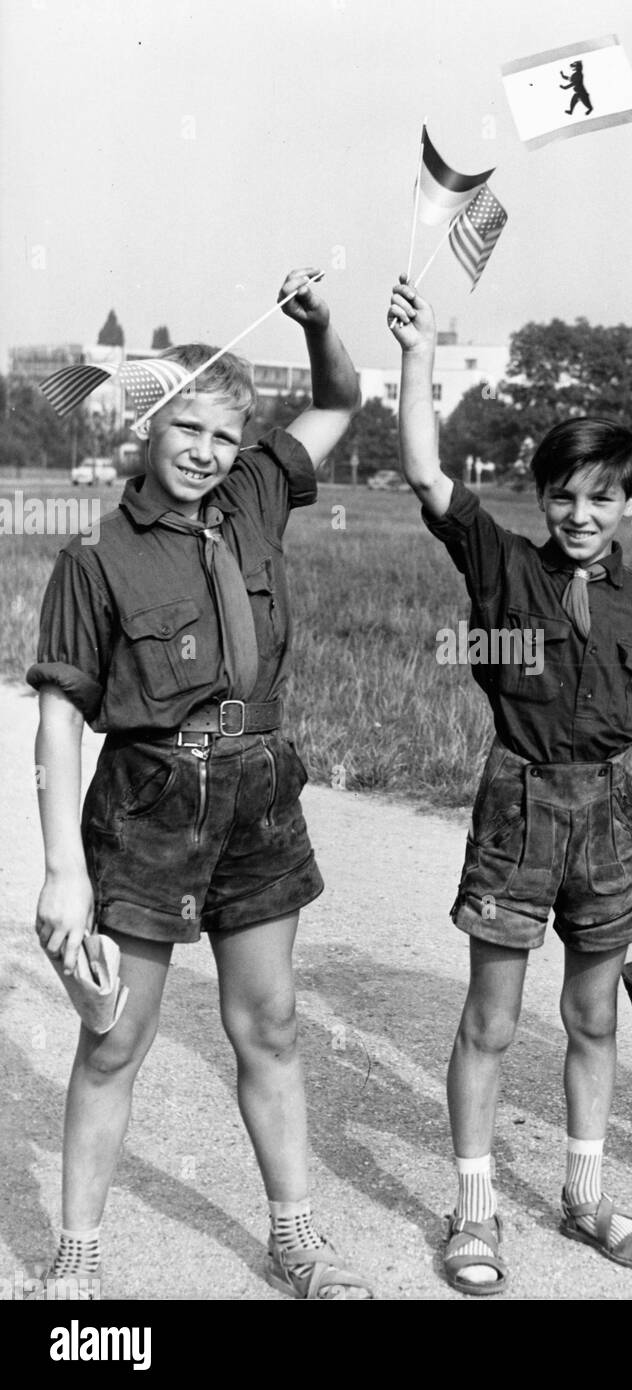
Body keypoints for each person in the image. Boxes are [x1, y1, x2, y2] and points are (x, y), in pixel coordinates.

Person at [30, 269, 373, 1300]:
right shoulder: (95, 557)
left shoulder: (257, 493)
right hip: (150, 807)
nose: (205, 453)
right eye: (187, 429)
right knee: (115, 1035)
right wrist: (60, 873)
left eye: (223, 437)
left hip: (262, 796)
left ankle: (297, 1240)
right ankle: (79, 1254)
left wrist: (320, 327)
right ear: (150, 423)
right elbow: (56, 717)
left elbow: (340, 400)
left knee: (268, 1024)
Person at [388, 278, 632, 1296]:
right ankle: (475, 1215)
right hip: (521, 807)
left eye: (603, 496)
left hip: (614, 823)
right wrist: (421, 352)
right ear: (541, 496)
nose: (581, 512)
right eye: (564, 493)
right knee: (492, 1022)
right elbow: (424, 470)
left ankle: (586, 1196)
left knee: (594, 1019)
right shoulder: (503, 567)